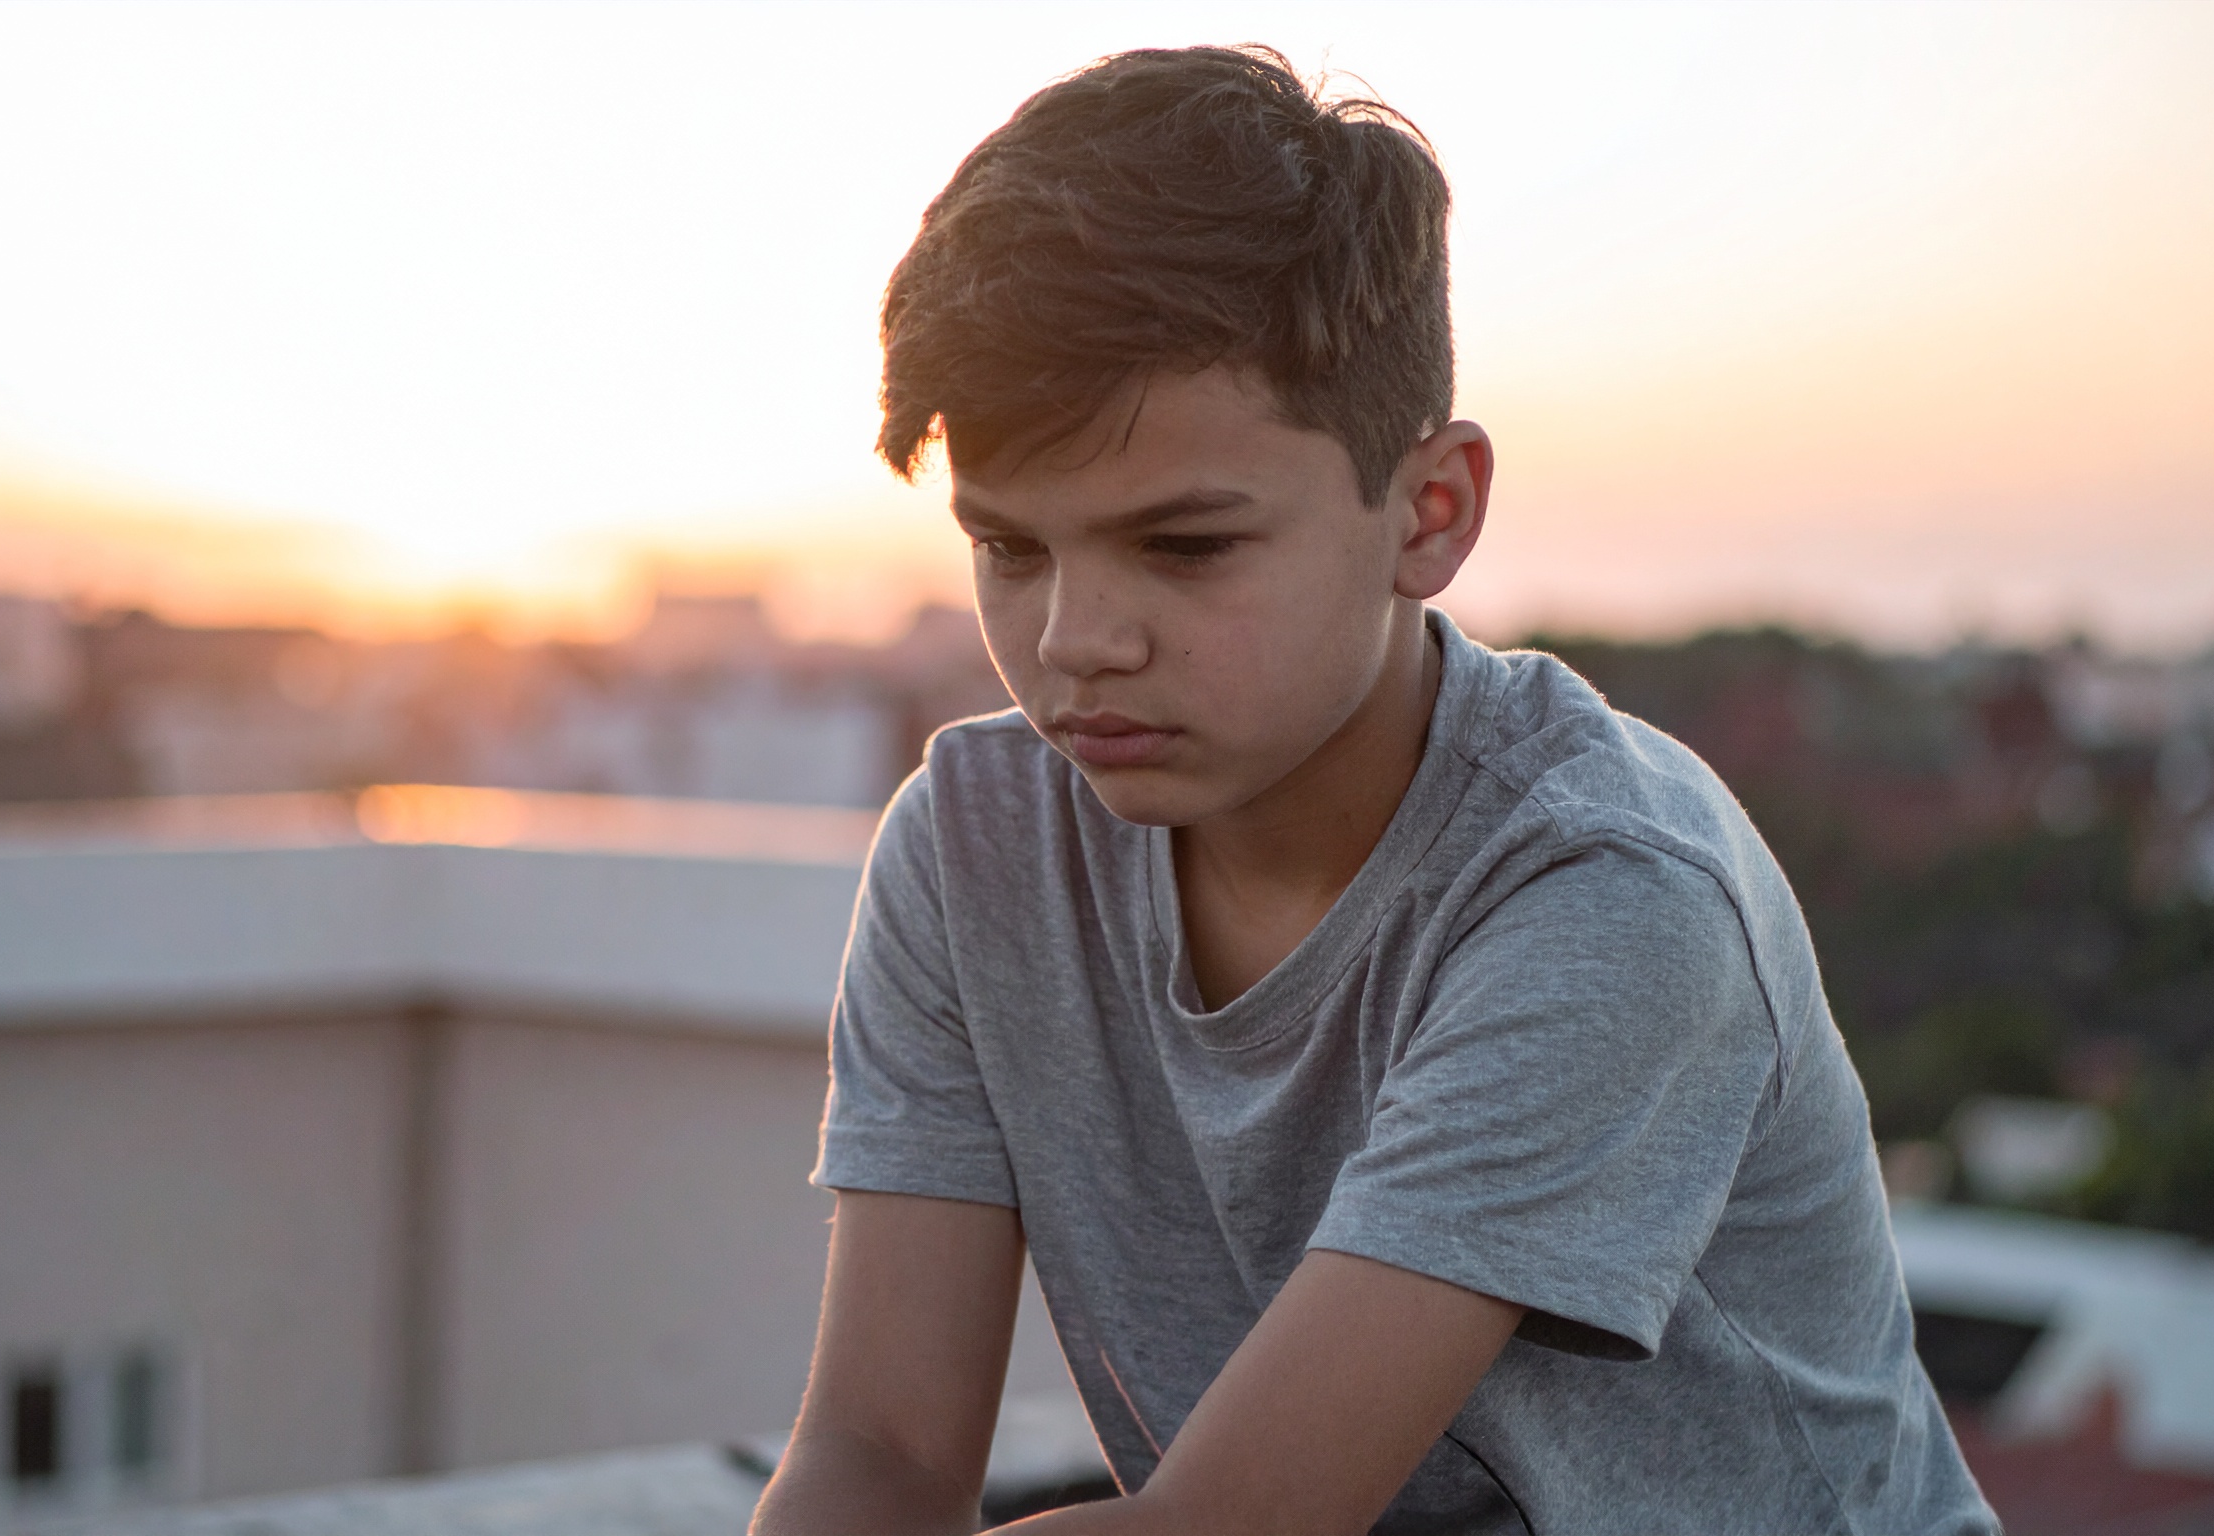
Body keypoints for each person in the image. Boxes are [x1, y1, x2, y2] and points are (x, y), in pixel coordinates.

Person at [750, 44, 1995, 1536]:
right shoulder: (977, 850)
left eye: (1188, 546)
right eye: (1011, 548)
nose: (1077, 640)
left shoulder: (1607, 897)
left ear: (1430, 513)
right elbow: (878, 1455)